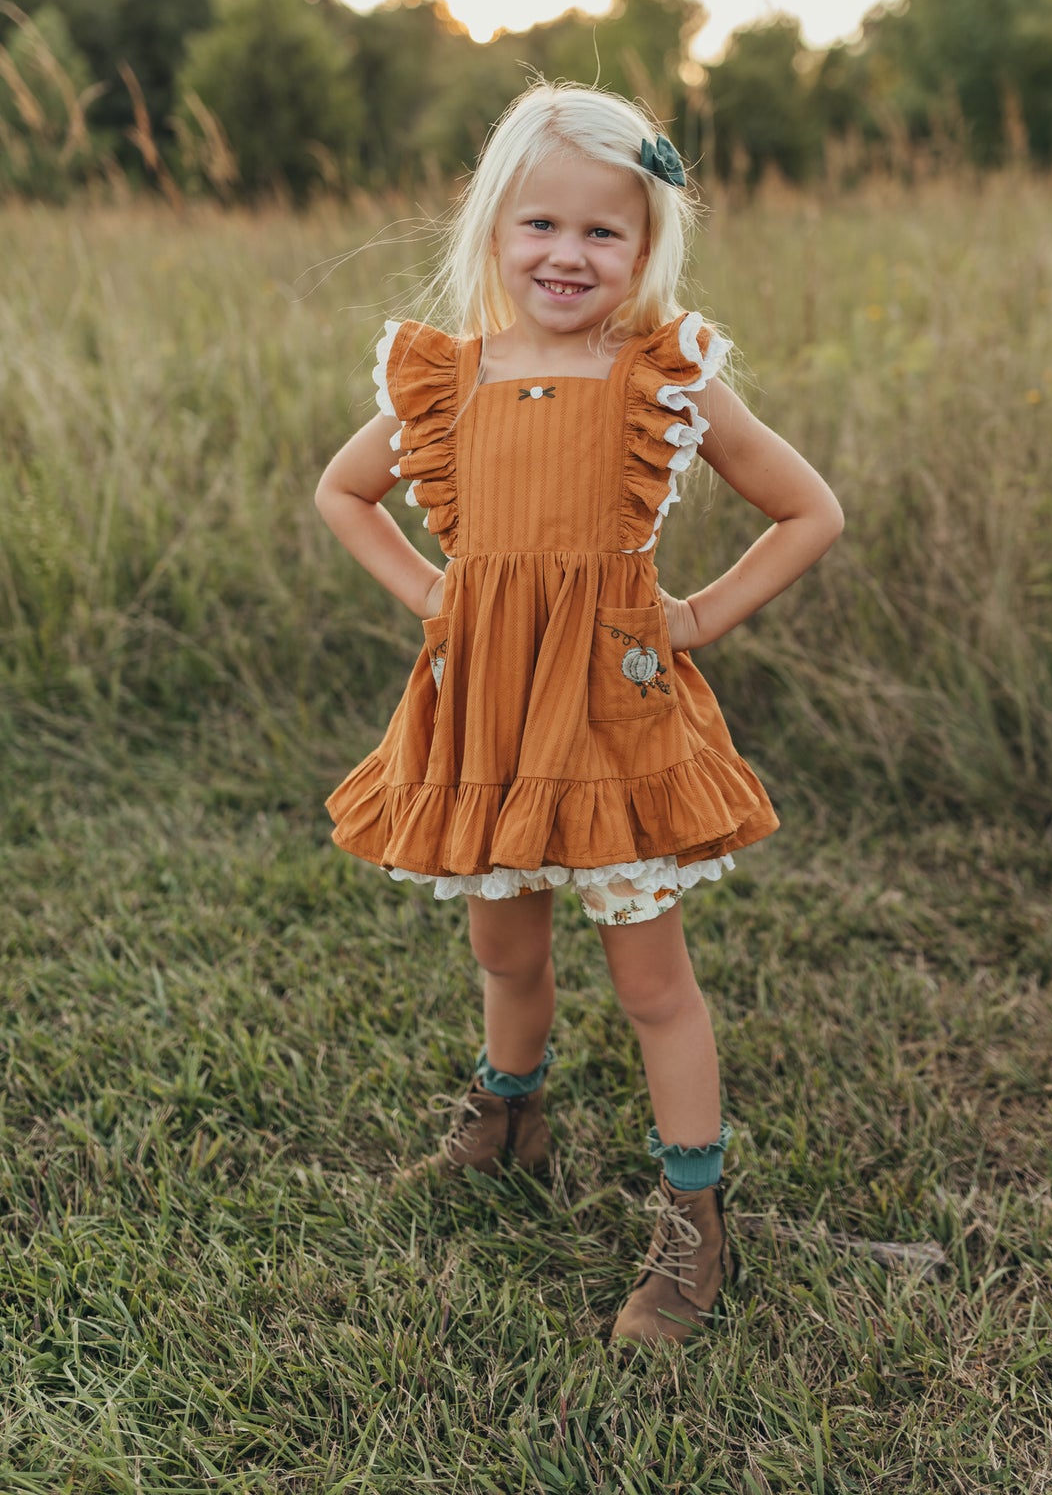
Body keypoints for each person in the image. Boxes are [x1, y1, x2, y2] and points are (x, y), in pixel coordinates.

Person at [315, 82, 843, 1346]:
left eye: (605, 232)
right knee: (505, 950)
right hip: (486, 714)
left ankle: (693, 1216)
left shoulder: (664, 378)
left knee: (651, 978)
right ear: (494, 231)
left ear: (649, 244)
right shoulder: (448, 378)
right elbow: (342, 493)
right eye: (540, 224)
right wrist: (437, 597)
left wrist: (700, 616)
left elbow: (809, 509)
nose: (568, 253)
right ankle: (510, 1116)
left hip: (612, 721)